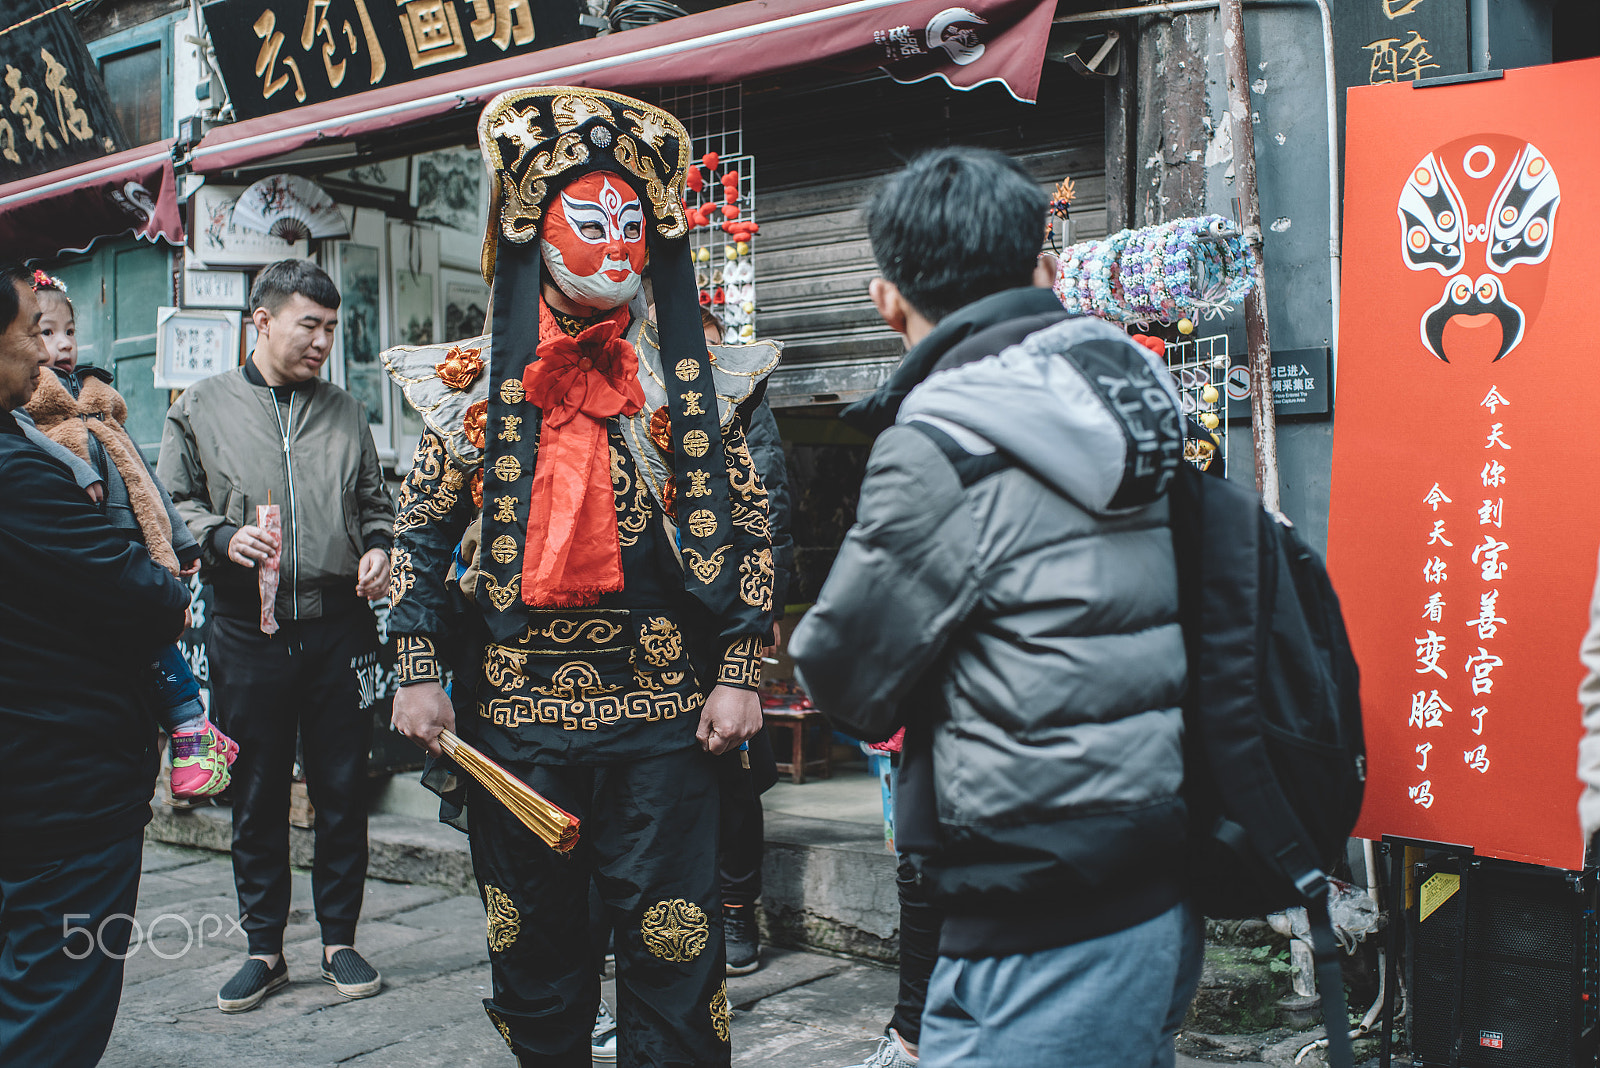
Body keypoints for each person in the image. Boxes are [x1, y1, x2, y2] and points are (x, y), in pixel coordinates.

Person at [385, 87, 777, 1067]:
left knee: (677, 952)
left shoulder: (689, 381)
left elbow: (750, 527)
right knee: (536, 959)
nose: (613, 246)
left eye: (628, 225)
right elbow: (420, 538)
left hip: (665, 723)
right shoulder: (473, 388)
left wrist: (741, 670)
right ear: (528, 232)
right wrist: (417, 668)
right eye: (588, 224)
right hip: (518, 728)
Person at [790, 147, 1201, 1068]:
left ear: (885, 300)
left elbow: (846, 676)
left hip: (1033, 895)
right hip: (1159, 870)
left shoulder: (939, 442)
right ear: (1048, 274)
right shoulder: (1148, 405)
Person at [158, 258, 395, 1013]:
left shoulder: (346, 410)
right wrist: (222, 536)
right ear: (261, 322)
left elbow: (373, 500)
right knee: (255, 793)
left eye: (331, 327)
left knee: (341, 788)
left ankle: (339, 940)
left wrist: (380, 546)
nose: (323, 340)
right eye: (309, 325)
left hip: (337, 627)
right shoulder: (200, 405)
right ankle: (264, 948)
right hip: (245, 630)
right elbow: (171, 502)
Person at [0, 264, 192, 1067]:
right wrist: (166, 579)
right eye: (22, 332)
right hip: (59, 790)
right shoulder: (17, 475)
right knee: (53, 1009)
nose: (39, 350)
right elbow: (143, 597)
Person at [22, 271, 237, 800]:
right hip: (85, 550)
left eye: (69, 331)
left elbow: (145, 478)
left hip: (130, 543)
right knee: (139, 640)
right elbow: (27, 439)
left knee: (148, 636)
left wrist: (183, 544)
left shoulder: (99, 400)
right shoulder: (28, 406)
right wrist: (80, 472)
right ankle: (192, 727)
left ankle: (191, 732)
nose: (64, 344)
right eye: (46, 333)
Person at [703, 305, 792, 978]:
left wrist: (765, 611)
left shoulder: (746, 407)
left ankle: (737, 908)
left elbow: (771, 512)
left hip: (731, 613)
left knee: (736, 769)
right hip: (657, 625)